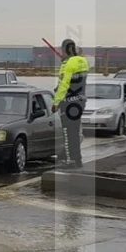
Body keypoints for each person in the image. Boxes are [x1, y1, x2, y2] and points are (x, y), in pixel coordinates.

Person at [52, 38, 89, 167]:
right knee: (75, 132)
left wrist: (56, 102)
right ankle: (77, 159)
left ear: (64, 50)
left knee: (68, 133)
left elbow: (64, 84)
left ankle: (70, 160)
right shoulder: (83, 61)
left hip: (68, 103)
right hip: (80, 101)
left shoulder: (67, 64)